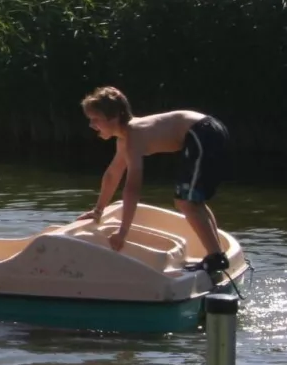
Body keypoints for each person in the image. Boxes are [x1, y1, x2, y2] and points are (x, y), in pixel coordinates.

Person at [79, 86, 231, 268]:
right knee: (191, 200)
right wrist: (97, 211)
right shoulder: (125, 139)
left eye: (96, 120)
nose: (91, 125)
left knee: (187, 202)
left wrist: (122, 232)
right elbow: (112, 175)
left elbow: (133, 187)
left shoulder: (133, 134)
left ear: (114, 117)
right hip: (206, 131)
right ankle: (216, 254)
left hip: (202, 132)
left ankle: (215, 258)